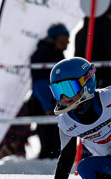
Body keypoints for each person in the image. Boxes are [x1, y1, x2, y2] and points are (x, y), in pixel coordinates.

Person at [29, 23, 71, 160]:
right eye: (64, 39)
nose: (68, 42)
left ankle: (53, 169)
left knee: (57, 143)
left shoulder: (58, 55)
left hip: (55, 103)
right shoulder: (42, 54)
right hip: (45, 105)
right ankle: (45, 173)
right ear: (55, 38)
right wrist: (47, 107)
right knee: (49, 144)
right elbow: (40, 84)